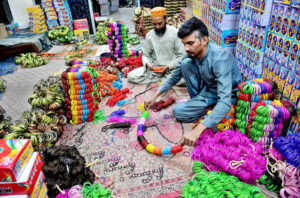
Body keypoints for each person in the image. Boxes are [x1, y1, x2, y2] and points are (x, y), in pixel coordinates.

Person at [144, 17, 242, 146]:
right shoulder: (192, 52)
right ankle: (207, 107)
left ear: (204, 40)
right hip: (208, 90)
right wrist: (155, 96)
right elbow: (175, 75)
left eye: (190, 43)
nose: (186, 48)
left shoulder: (219, 59)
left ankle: (211, 110)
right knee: (185, 64)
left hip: (227, 95)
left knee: (179, 111)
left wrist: (199, 130)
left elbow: (225, 100)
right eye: (184, 44)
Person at [127, 7, 185, 84]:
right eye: (154, 24)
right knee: (131, 76)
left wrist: (168, 67)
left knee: (186, 80)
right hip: (155, 71)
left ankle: (165, 79)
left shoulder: (175, 33)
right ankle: (164, 80)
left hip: (171, 69)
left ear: (166, 19)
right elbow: (145, 55)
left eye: (160, 23)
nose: (157, 27)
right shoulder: (150, 35)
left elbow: (182, 56)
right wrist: (147, 64)